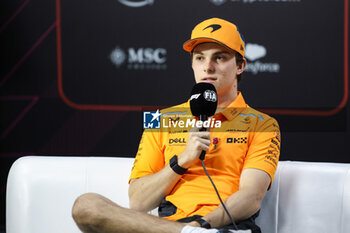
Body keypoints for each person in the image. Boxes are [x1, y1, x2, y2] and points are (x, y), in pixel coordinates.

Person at [72, 17, 281, 233]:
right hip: (171, 227)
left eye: (219, 58)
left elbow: (251, 198)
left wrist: (199, 226)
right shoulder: (161, 119)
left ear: (240, 66)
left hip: (223, 228)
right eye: (200, 58)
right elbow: (139, 201)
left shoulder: (263, 124)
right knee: (86, 205)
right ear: (192, 64)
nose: (208, 67)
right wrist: (182, 160)